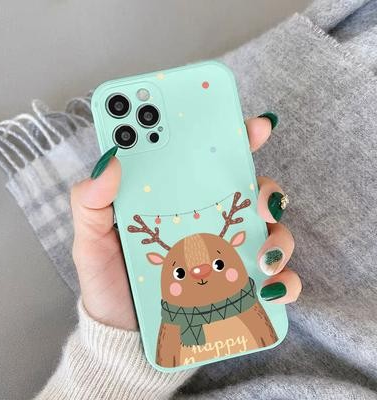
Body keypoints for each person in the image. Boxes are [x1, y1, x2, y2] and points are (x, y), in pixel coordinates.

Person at [36, 115, 302, 399]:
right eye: (181, 273)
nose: (201, 275)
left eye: (218, 265)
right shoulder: (174, 326)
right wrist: (116, 364)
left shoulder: (242, 310)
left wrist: (114, 362)